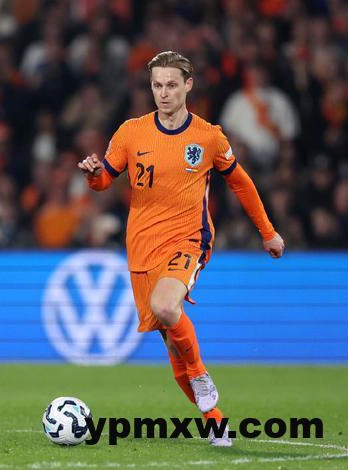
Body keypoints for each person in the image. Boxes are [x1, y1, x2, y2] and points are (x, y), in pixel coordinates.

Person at [77, 51, 285, 447]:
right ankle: (215, 422)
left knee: (165, 306)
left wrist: (267, 231)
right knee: (172, 343)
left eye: (171, 85)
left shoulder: (208, 137)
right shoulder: (131, 132)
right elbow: (105, 181)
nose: (163, 93)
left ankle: (201, 374)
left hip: (189, 240)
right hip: (142, 247)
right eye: (157, 85)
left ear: (188, 85)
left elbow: (240, 182)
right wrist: (93, 175)